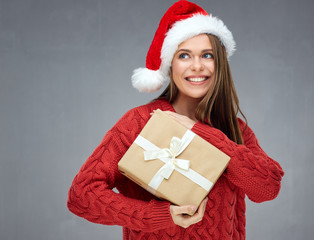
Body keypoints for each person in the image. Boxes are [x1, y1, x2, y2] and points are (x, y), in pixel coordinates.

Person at [67, 1, 284, 239]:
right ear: (170, 64)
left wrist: (201, 133)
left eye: (207, 55)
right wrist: (158, 216)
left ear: (219, 63)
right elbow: (82, 195)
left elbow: (267, 189)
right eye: (184, 56)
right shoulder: (139, 122)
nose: (197, 66)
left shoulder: (235, 130)